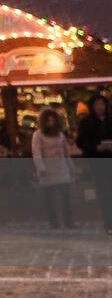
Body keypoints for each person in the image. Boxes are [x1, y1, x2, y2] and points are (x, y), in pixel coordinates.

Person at [32, 106, 75, 228]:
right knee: (50, 199)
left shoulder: (60, 134)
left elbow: (66, 153)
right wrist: (41, 168)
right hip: (47, 169)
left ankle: (68, 221)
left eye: (53, 120)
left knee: (65, 197)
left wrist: (72, 168)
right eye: (48, 120)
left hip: (62, 168)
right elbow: (37, 153)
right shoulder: (38, 135)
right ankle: (54, 222)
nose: (51, 123)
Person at [75, 93, 112, 233]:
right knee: (105, 193)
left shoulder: (110, 120)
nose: (100, 107)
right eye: (97, 105)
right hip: (98, 162)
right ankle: (109, 223)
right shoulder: (87, 123)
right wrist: (95, 147)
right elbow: (81, 142)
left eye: (102, 104)